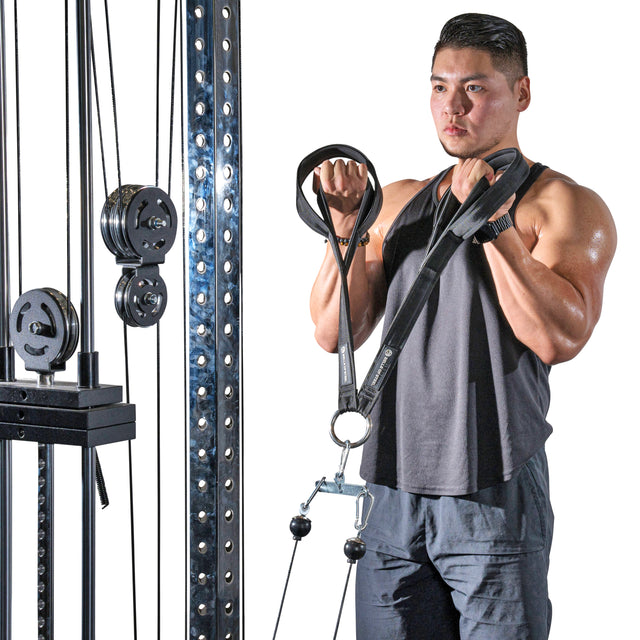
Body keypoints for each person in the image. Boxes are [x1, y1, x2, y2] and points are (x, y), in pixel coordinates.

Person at [309, 13, 616, 640]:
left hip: (492, 489)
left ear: (521, 94)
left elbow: (562, 338)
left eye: (474, 88)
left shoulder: (563, 205)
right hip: (390, 488)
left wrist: (496, 225)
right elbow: (333, 332)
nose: (452, 107)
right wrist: (344, 235)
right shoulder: (394, 200)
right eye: (439, 86)